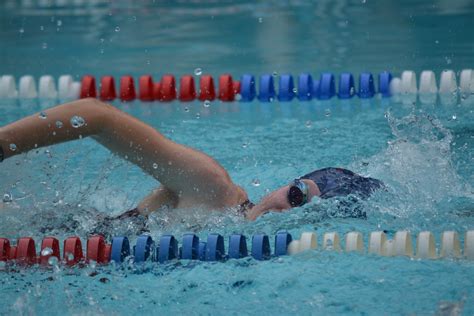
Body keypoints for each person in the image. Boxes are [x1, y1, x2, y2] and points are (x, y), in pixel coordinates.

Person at [0, 98, 383, 222]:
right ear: (287, 183)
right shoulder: (212, 188)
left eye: (306, 214)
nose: (289, 212)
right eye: (297, 196)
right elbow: (95, 114)